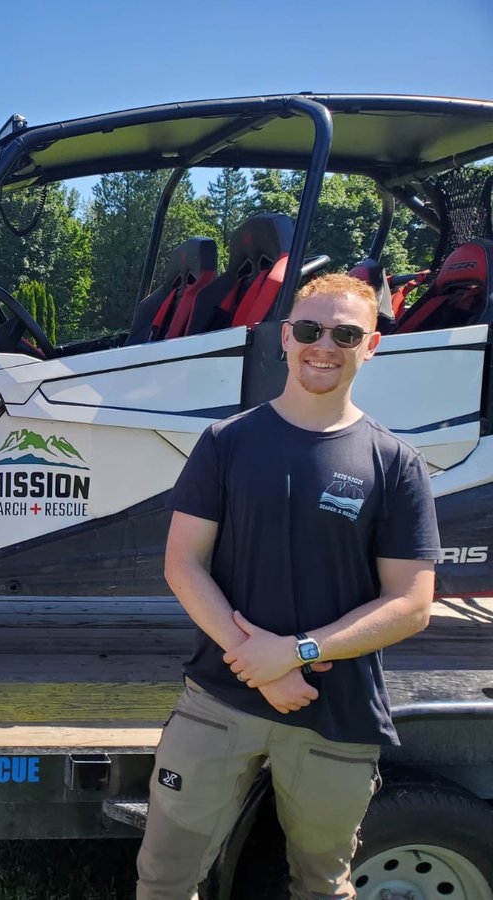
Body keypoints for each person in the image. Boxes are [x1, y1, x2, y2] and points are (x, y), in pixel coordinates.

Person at [136, 273, 440, 899]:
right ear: (285, 339)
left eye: (345, 333)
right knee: (163, 879)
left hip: (337, 711)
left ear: (372, 344)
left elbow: (411, 604)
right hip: (220, 698)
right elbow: (182, 564)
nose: (323, 345)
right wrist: (259, 664)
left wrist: (297, 651)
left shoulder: (394, 463)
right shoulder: (227, 442)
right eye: (309, 329)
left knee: (322, 886)